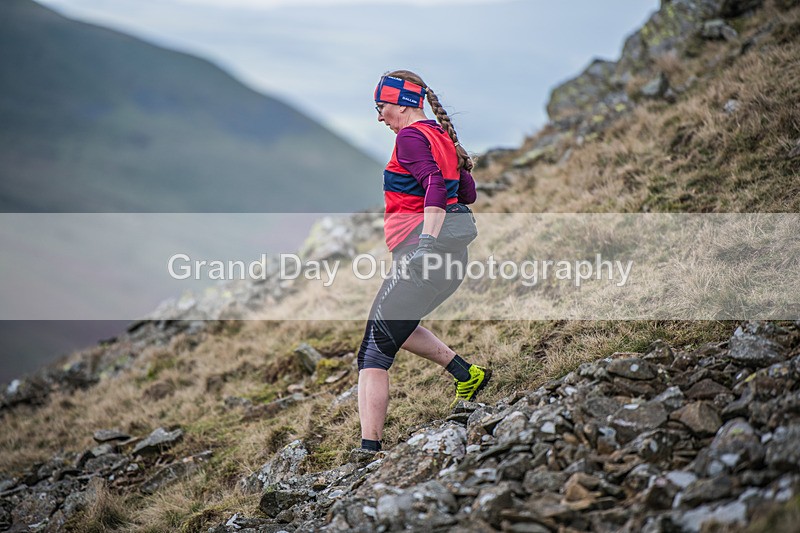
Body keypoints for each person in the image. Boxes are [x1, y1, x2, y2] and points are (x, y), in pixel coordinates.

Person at [353, 70, 491, 459]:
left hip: (424, 255)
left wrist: (425, 242)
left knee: (372, 354)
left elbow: (432, 184)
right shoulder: (438, 135)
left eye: (381, 107)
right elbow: (467, 191)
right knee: (398, 325)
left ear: (401, 102)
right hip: (453, 260)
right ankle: (467, 374)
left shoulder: (411, 137)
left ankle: (368, 450)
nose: (379, 117)